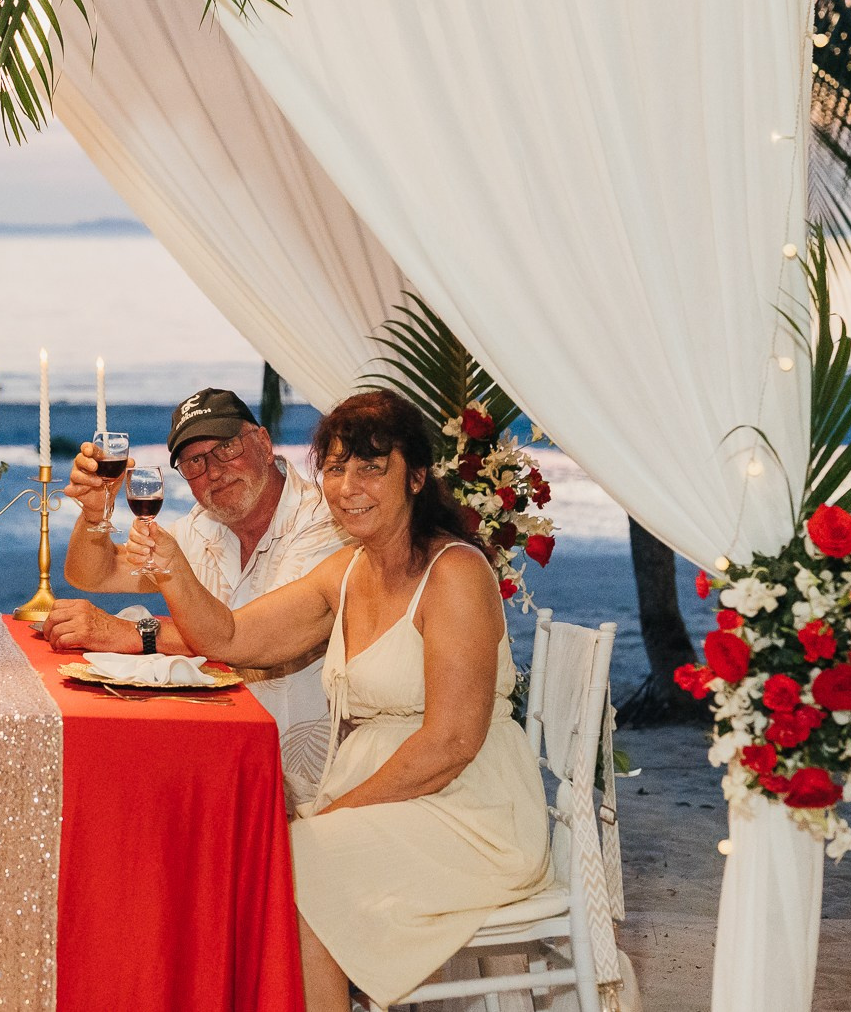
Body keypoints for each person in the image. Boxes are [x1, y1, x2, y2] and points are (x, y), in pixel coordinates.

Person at [132, 389, 550, 1012]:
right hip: (385, 795)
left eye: (370, 468)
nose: (348, 486)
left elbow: (451, 743)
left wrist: (332, 817)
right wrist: (173, 570)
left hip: (470, 810)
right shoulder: (347, 570)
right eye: (334, 468)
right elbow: (234, 638)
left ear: (414, 477)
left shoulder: (456, 573)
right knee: (252, 859)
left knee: (291, 867)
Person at [44, 387, 341, 804]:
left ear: (262, 441)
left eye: (226, 448)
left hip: (302, 785)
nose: (214, 472)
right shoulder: (205, 524)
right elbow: (95, 572)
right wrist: (96, 513)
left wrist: (136, 633)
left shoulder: (323, 521)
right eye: (194, 463)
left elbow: (251, 635)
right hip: (212, 757)